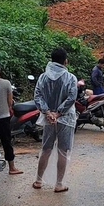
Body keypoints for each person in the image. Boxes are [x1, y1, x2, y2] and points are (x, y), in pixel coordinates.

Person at [33, 48, 78, 192]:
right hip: (65, 118)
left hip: (48, 119)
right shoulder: (70, 78)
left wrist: (47, 112)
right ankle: (59, 184)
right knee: (63, 151)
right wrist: (58, 113)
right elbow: (72, 97)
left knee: (46, 148)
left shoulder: (43, 77)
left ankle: (38, 180)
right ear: (65, 61)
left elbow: (38, 95)